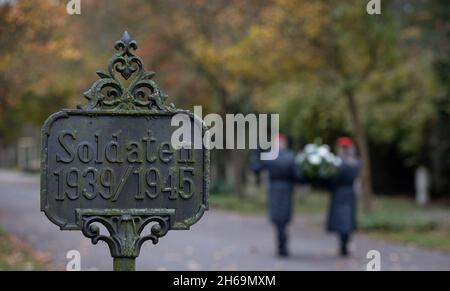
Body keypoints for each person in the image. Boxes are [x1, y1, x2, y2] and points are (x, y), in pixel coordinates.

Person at [250, 134, 303, 257]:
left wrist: (256, 152)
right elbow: (298, 176)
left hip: (274, 189)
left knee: (278, 219)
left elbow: (255, 168)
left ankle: (281, 243)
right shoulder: (291, 157)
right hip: (286, 190)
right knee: (283, 219)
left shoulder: (270, 157)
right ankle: (283, 243)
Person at [327, 137, 360, 257]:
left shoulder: (338, 163)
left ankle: (343, 244)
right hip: (350, 193)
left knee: (342, 220)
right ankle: (345, 243)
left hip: (339, 192)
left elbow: (334, 179)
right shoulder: (355, 162)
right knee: (347, 219)